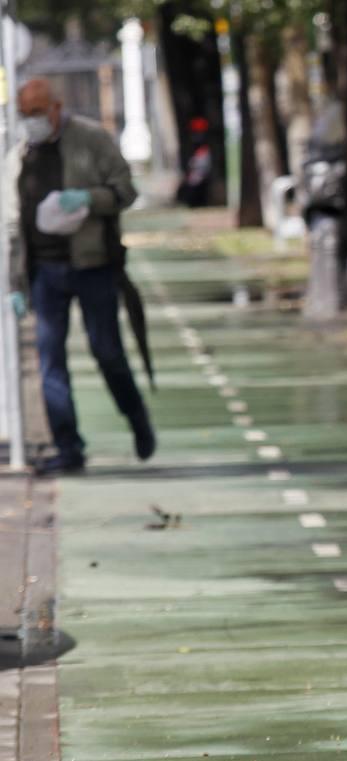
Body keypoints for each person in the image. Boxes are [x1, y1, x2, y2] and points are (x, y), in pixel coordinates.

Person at [8, 78, 156, 475]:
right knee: (49, 359)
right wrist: (13, 285)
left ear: (56, 108)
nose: (31, 121)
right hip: (44, 272)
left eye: (37, 113)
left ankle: (136, 416)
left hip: (93, 265)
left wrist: (91, 199)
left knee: (107, 351)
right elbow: (10, 224)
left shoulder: (91, 139)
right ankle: (68, 447)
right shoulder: (20, 154)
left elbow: (126, 190)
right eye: (25, 114)